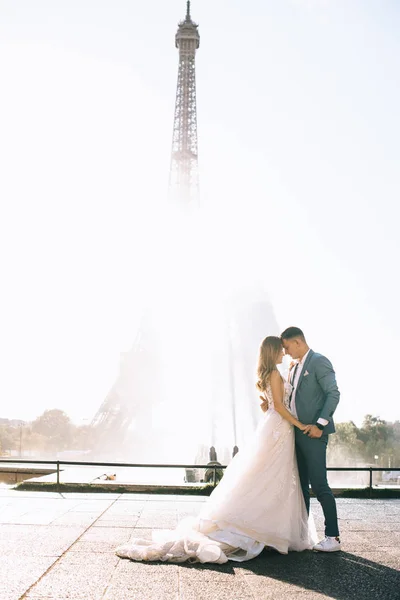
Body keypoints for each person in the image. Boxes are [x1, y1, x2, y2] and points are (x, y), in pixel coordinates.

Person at [115, 336, 317, 564]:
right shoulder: (274, 374)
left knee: (268, 476)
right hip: (280, 428)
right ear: (272, 352)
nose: (284, 352)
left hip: (274, 427)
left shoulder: (271, 373)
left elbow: (272, 405)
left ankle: (264, 526)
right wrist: (300, 425)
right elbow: (280, 407)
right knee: (272, 476)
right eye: (281, 350)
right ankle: (269, 528)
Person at [280, 327, 341, 552]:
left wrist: (320, 425)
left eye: (286, 347)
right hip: (296, 434)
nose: (285, 352)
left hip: (314, 433)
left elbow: (333, 393)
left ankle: (333, 537)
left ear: (297, 342)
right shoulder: (293, 367)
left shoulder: (319, 361)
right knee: (301, 487)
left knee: (319, 485)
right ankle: (303, 534)